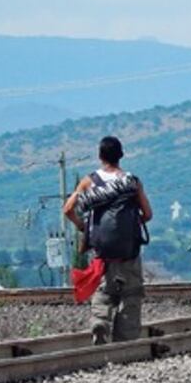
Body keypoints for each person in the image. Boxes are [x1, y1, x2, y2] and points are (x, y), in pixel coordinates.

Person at [63, 136, 152, 345]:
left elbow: (68, 209)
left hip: (102, 251)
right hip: (129, 250)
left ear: (100, 156)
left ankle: (100, 322)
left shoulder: (89, 181)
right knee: (131, 293)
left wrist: (82, 226)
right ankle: (125, 341)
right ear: (121, 155)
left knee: (104, 289)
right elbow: (147, 214)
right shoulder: (131, 181)